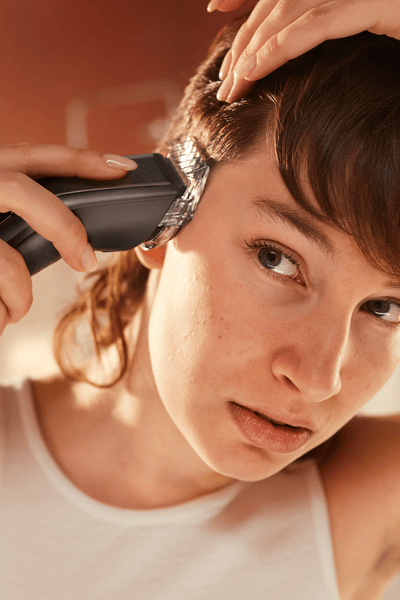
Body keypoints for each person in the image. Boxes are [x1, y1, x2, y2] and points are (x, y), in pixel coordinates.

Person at [1, 2, 400, 599]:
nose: (318, 378)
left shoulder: (372, 495)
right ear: (157, 217)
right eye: (277, 259)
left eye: (386, 307)